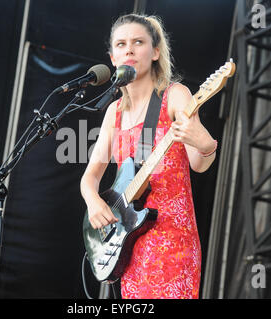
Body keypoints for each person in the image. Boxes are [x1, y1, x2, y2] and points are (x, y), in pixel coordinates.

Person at [80, 13, 217, 299]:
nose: (128, 49)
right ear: (112, 57)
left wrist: (204, 144)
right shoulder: (113, 112)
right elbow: (90, 178)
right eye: (121, 44)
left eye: (138, 42)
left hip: (172, 241)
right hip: (130, 241)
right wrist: (93, 202)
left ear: (155, 52)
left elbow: (199, 164)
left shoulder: (175, 95)